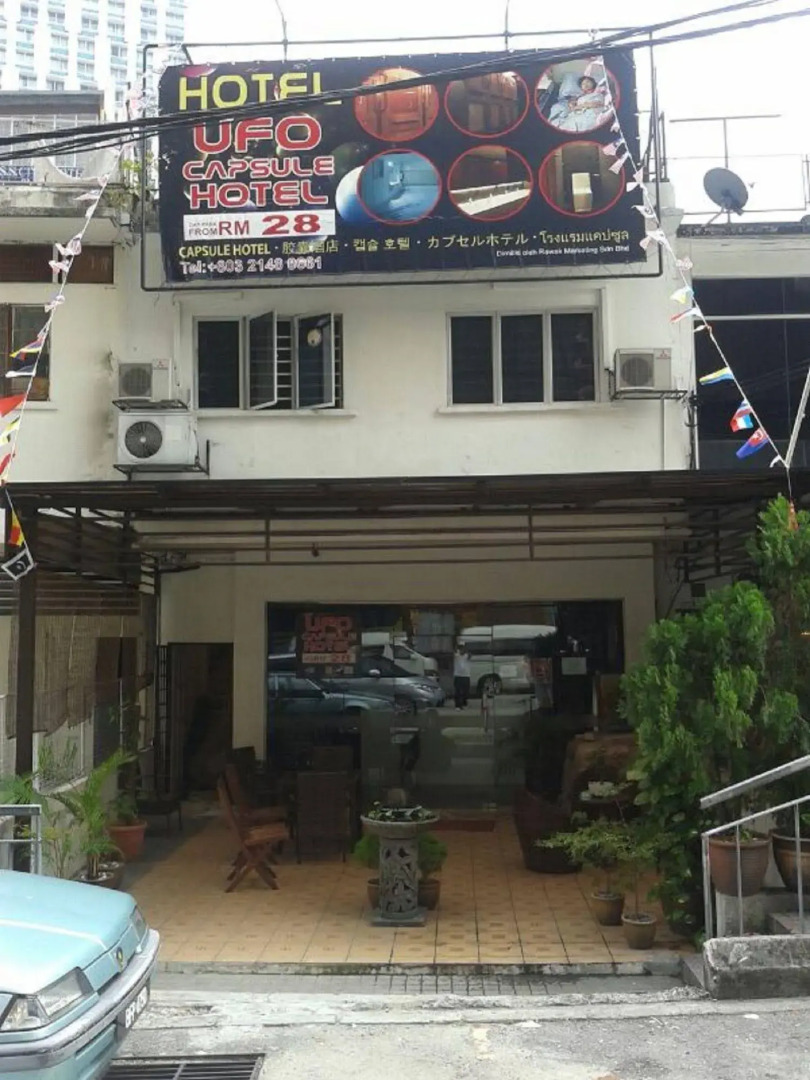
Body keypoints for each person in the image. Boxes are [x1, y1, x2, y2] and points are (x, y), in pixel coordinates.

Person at [453, 643, 471, 710]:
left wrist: (465, 651)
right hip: (458, 676)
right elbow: (454, 651)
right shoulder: (457, 656)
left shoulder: (467, 656)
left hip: (466, 676)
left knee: (466, 691)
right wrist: (457, 648)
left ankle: (464, 703)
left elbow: (469, 655)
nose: (462, 651)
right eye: (460, 649)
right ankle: (457, 705)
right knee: (458, 691)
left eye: (463, 649)